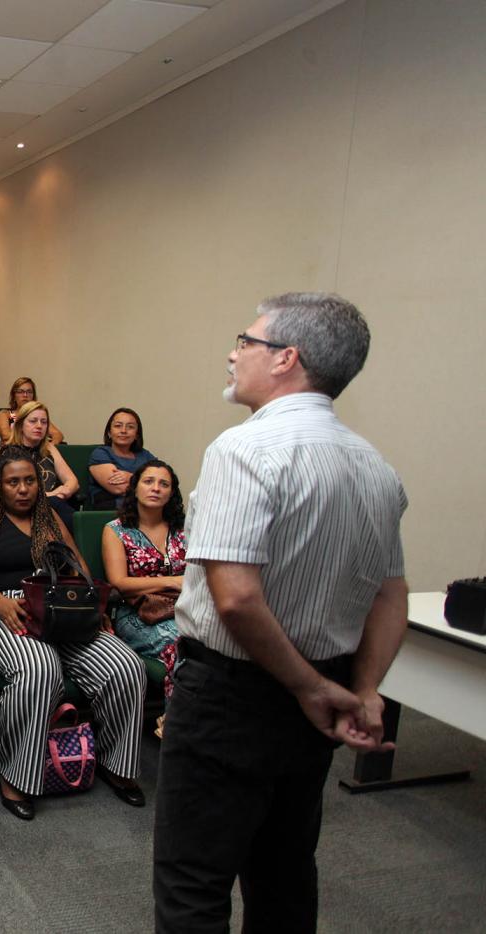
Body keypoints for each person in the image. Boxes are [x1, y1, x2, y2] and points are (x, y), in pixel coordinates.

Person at [153, 293, 407, 933]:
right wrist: (363, 687)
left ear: (286, 358)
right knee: (285, 870)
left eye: (246, 340)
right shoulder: (375, 467)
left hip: (233, 695)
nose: (232, 353)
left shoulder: (244, 450)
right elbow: (389, 594)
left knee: (194, 881)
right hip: (324, 690)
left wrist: (309, 687)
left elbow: (235, 596)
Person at [0, 445, 147, 823]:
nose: (23, 489)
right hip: (4, 614)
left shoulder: (50, 517)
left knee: (126, 664)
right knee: (39, 669)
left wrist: (94, 608)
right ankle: (17, 775)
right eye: (13, 482)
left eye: (29, 481)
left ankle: (117, 763)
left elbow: (78, 566)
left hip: (60, 612)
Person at [102, 460, 186, 702]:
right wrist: (173, 581)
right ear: (135, 488)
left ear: (171, 493)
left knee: (211, 641)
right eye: (148, 482)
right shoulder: (117, 530)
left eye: (164, 484)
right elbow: (119, 582)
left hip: (183, 608)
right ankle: (178, 723)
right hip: (136, 613)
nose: (156, 488)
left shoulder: (183, 530)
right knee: (184, 645)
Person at [5, 401, 79, 524]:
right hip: (23, 509)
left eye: (44, 422)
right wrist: (52, 495)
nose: (39, 426)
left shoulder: (49, 448)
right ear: (20, 425)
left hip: (55, 504)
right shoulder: (8, 451)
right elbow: (13, 493)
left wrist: (63, 491)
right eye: (33, 421)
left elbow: (73, 482)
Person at [88, 408, 157, 511]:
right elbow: (119, 488)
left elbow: (164, 480)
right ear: (109, 433)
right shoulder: (101, 453)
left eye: (130, 427)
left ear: (137, 435)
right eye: (118, 426)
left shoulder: (144, 455)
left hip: (147, 509)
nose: (123, 431)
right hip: (114, 510)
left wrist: (130, 477)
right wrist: (148, 482)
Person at [0, 377, 65, 445]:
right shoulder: (6, 414)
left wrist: (49, 446)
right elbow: (6, 435)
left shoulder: (37, 416)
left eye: (29, 392)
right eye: (20, 392)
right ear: (14, 396)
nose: (25, 395)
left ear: (33, 396)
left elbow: (58, 435)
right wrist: (32, 442)